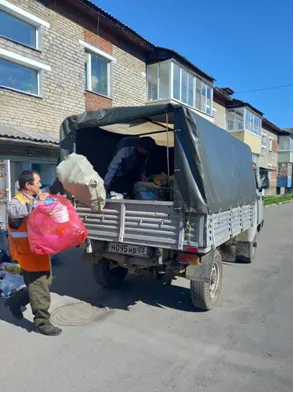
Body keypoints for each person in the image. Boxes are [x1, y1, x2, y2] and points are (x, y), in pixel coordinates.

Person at [5, 170, 62, 336]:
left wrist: (61, 179)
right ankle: (42, 322)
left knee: (47, 282)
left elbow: (51, 190)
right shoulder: (16, 202)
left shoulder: (36, 196)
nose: (40, 184)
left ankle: (15, 301)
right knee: (40, 289)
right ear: (28, 185)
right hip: (28, 254)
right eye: (37, 181)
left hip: (41, 252)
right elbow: (15, 213)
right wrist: (37, 203)